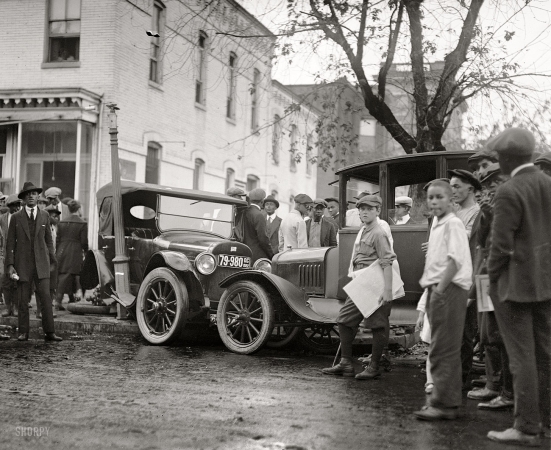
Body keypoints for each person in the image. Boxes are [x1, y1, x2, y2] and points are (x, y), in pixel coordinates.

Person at [485, 128, 551, 446]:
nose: (498, 164)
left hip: (514, 287)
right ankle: (546, 423)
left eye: (499, 159)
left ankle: (525, 427)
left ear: (508, 158)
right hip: (546, 284)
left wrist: (491, 279)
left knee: (521, 357)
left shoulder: (509, 190)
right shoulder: (548, 184)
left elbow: (500, 246)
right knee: (545, 354)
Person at [413, 180, 472, 421]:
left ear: (451, 200)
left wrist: (440, 289)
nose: (435, 202)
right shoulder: (438, 223)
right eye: (431, 198)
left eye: (440, 197)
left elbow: (455, 260)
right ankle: (442, 400)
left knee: (444, 349)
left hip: (448, 290)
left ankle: (444, 404)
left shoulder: (454, 224)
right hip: (436, 289)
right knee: (438, 347)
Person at [322, 195, 395, 380]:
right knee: (344, 320)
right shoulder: (364, 229)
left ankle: (375, 366)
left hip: (374, 281)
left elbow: (387, 262)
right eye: (361, 208)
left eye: (369, 209)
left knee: (377, 325)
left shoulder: (379, 232)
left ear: (378, 211)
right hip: (361, 281)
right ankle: (346, 363)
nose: (364, 212)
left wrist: (387, 290)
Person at [465, 163, 514, 411]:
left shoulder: (508, 206)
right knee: (487, 335)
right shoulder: (488, 210)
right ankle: (494, 385)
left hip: (499, 278)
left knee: (498, 335)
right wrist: (487, 215)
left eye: (492, 184)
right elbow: (481, 244)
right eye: (485, 186)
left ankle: (504, 389)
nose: (488, 191)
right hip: (485, 277)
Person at [5, 182, 62, 342]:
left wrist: (52, 260)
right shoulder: (16, 218)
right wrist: (10, 265)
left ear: (38, 197)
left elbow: (48, 240)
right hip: (22, 264)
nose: (31, 196)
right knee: (23, 299)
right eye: (27, 194)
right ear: (23, 198)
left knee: (45, 298)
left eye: (34, 193)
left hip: (42, 264)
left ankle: (49, 332)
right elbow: (10, 243)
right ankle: (23, 332)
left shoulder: (44, 215)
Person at [448, 168, 481, 390]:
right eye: (451, 187)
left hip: (467, 279)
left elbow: (469, 249)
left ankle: (461, 379)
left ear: (470, 188)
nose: (453, 191)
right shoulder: (455, 212)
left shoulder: (476, 213)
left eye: (457, 186)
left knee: (464, 333)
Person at [55, 200, 87, 310]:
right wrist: (86, 252)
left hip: (62, 250)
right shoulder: (82, 223)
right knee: (73, 274)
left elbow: (57, 240)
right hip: (75, 251)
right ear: (78, 209)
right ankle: (60, 301)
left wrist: (57, 252)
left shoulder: (62, 222)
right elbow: (84, 242)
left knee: (64, 274)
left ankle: (68, 299)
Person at [1, 195, 22, 317]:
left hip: (19, 253)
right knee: (6, 281)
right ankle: (7, 306)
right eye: (14, 205)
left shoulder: (22, 218)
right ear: (9, 207)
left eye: (18, 205)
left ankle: (15, 307)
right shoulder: (3, 218)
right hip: (6, 254)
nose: (17, 208)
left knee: (17, 281)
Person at [240, 188, 274, 263]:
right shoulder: (259, 215)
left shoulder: (243, 212)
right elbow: (263, 239)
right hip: (256, 256)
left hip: (243, 253)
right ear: (262, 201)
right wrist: (272, 255)